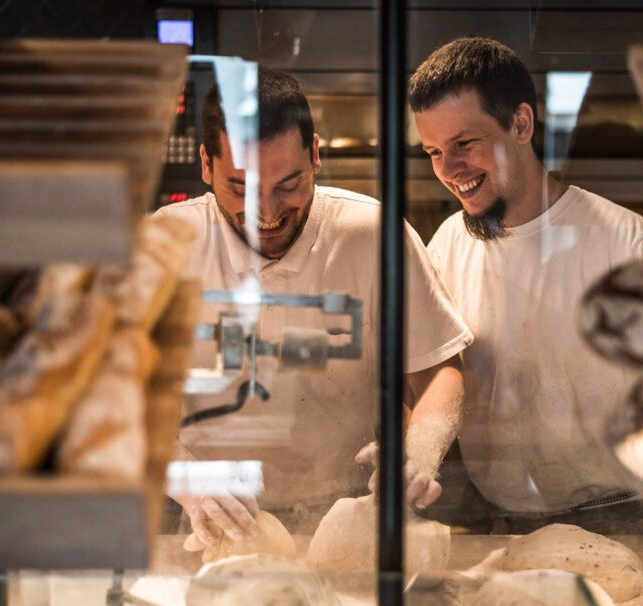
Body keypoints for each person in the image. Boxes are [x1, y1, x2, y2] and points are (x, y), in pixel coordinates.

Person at [157, 67, 472, 545]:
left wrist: (418, 453)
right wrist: (189, 481)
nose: (266, 213)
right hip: (214, 522)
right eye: (241, 188)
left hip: (351, 521)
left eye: (288, 183)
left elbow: (439, 371)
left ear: (316, 155)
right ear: (205, 165)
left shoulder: (372, 236)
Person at [408, 37, 643, 535]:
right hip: (498, 519)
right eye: (434, 151)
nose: (448, 170)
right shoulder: (447, 244)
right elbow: (427, 374)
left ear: (521, 124)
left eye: (465, 144)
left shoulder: (630, 246)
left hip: (624, 518)